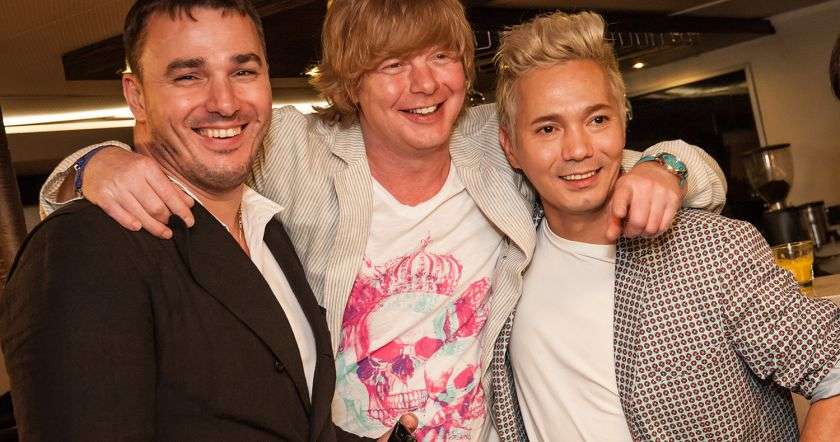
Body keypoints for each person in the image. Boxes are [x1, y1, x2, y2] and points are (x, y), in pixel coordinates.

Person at [38, 0, 727, 439]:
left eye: (440, 57)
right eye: (392, 64)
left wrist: (665, 168)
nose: (424, 85)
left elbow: (663, 166)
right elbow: (181, 153)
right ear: (351, 81)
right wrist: (92, 161)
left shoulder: (497, 143)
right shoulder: (294, 150)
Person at [1, 1, 405, 440]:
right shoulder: (86, 245)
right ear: (137, 97)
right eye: (188, 76)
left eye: (243, 71)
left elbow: (282, 422)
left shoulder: (267, 230)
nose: (225, 103)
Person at [490, 10, 840, 441]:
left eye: (597, 119)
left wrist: (667, 164)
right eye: (547, 128)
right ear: (510, 147)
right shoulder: (500, 259)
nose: (577, 149)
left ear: (623, 122)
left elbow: (834, 366)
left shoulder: (713, 249)